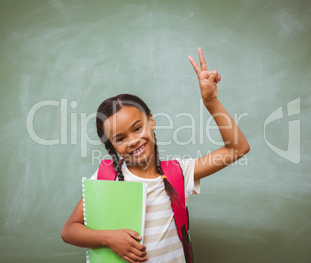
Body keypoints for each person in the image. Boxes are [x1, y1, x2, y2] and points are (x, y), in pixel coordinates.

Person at [61, 47, 250, 263]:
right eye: (120, 139)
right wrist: (109, 238)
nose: (133, 141)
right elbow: (69, 230)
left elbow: (237, 149)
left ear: (152, 122)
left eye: (137, 128)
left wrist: (210, 102)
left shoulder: (180, 172)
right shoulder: (107, 178)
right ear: (111, 146)